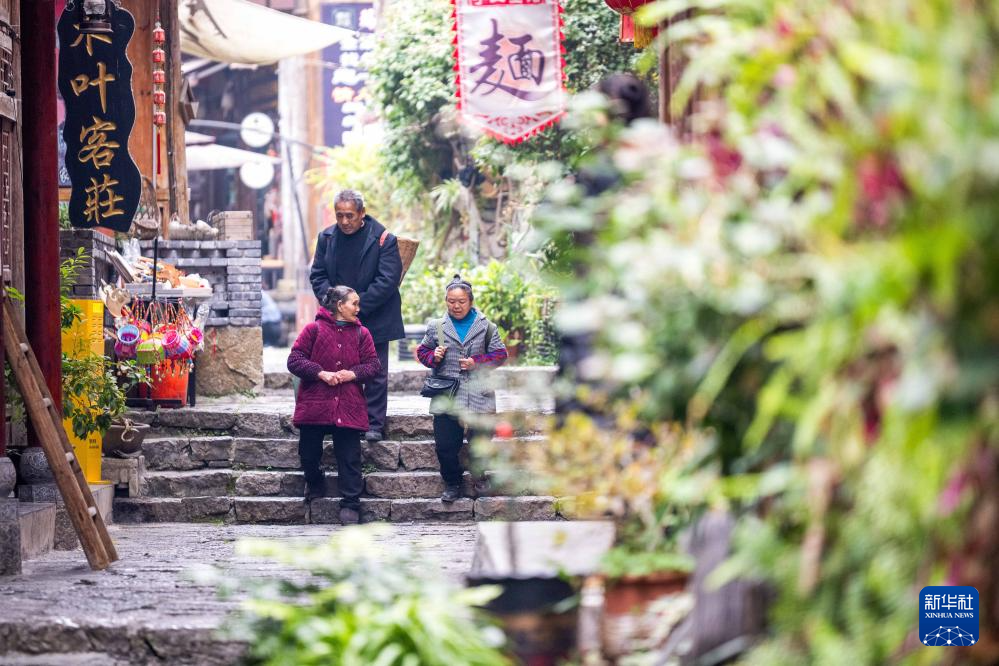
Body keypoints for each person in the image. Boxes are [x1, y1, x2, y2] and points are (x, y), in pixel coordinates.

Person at [310, 189, 404, 442]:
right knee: (336, 368)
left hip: (375, 315)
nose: (344, 221)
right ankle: (341, 419)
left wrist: (356, 307)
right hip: (337, 317)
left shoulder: (383, 239)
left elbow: (387, 280)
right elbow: (318, 275)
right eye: (339, 215)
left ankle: (374, 424)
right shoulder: (327, 238)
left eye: (350, 215)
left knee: (375, 371)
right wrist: (335, 305)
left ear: (362, 213)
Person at [287, 285, 381, 525]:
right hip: (315, 403)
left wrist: (352, 374)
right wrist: (320, 373)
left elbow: (373, 366)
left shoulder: (362, 334)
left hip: (348, 403)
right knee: (308, 454)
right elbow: (294, 360)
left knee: (349, 457)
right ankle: (315, 481)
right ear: (340, 305)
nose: (358, 308)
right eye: (354, 303)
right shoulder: (313, 329)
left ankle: (350, 504)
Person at [415, 274, 508, 502]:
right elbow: (422, 352)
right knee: (445, 445)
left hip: (479, 393)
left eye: (461, 301)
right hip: (447, 394)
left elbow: (500, 354)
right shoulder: (436, 326)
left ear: (471, 301)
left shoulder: (486, 327)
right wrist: (434, 356)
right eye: (451, 301)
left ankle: (479, 477)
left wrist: (477, 362)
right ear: (446, 301)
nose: (456, 306)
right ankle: (452, 483)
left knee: (481, 441)